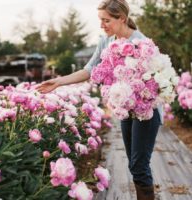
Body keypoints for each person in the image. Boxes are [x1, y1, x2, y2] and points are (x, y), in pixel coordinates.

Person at [36, 1, 162, 199]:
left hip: (147, 111)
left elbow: (159, 80)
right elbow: (89, 69)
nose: (102, 25)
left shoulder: (142, 43)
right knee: (134, 163)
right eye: (100, 20)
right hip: (127, 110)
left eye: (106, 20)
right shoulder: (106, 41)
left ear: (122, 18)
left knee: (139, 165)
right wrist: (58, 82)